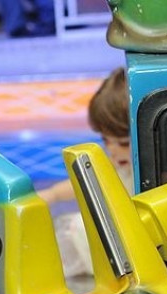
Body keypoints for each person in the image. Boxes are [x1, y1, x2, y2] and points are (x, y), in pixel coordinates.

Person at [37, 67, 131, 277]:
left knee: (79, 227)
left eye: (123, 143)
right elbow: (86, 182)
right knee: (71, 228)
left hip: (136, 243)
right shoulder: (118, 163)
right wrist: (53, 194)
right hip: (123, 239)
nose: (113, 150)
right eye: (106, 140)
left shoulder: (150, 167)